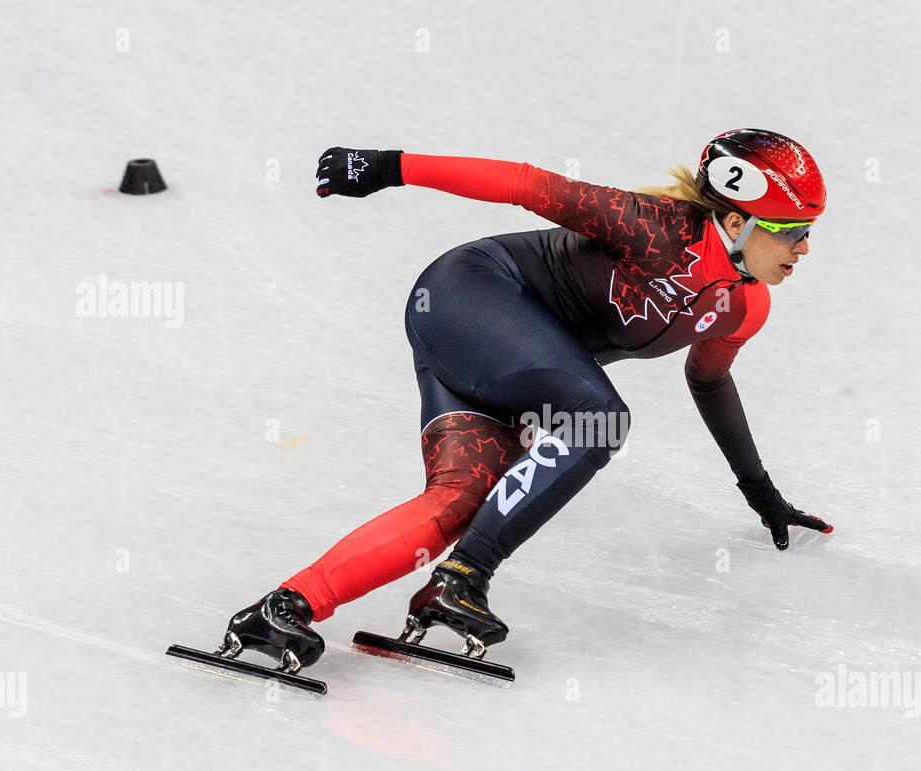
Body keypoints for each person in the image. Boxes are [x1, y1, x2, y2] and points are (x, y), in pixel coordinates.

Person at [222, 128, 834, 673]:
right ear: (735, 223)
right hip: (471, 294)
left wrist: (764, 498)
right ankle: (465, 577)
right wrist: (387, 165)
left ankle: (284, 608)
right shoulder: (657, 226)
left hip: (509, 360)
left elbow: (711, 383)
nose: (805, 250)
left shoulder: (746, 307)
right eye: (794, 232)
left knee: (460, 501)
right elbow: (529, 186)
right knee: (599, 421)